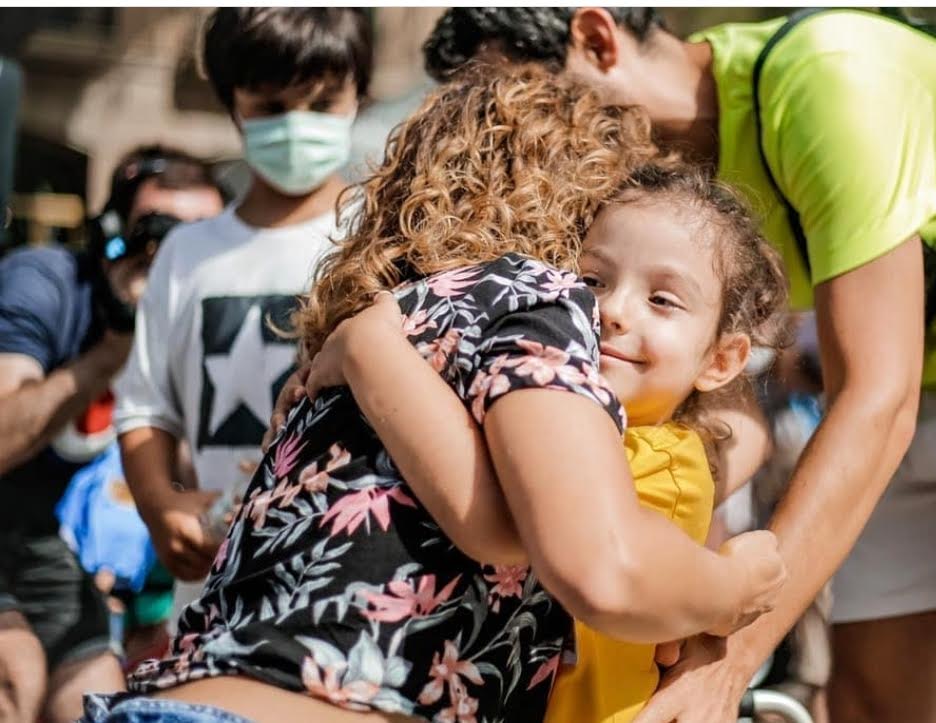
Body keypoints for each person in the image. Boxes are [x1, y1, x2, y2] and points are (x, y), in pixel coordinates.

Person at [423, 7, 936, 722]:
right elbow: (727, 406)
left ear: (596, 38)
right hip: (931, 388)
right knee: (874, 700)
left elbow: (877, 400)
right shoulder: (652, 164)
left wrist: (730, 656)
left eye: (534, 97)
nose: (527, 131)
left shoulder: (828, 79)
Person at [84, 64, 784, 723]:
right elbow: (594, 562)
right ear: (581, 200)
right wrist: (735, 589)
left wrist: (368, 347)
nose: (606, 305)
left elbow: (518, 512)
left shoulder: (380, 340)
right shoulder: (533, 300)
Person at [294, 163, 790, 723]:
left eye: (663, 300)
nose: (613, 310)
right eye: (594, 280)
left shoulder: (661, 461)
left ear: (722, 360)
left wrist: (375, 349)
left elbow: (494, 506)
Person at [113, 8, 374, 622]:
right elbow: (146, 406)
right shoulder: (187, 253)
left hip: (351, 585)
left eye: (321, 101)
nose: (296, 124)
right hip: (214, 595)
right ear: (231, 102)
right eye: (271, 105)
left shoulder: (382, 234)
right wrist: (160, 503)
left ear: (359, 93)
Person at [0, 145, 223, 723]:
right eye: (162, 232)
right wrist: (112, 350)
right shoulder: (46, 282)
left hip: (36, 542)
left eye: (206, 239)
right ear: (111, 234)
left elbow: (203, 482)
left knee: (103, 702)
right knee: (13, 668)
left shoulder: (196, 325)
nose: (181, 256)